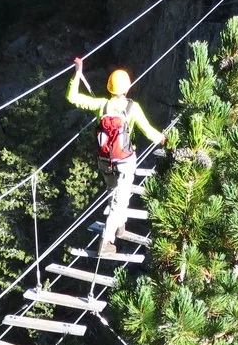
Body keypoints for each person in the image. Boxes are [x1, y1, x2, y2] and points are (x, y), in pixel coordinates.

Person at [67, 57, 165, 255]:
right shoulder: (132, 108)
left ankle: (119, 225)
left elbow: (72, 97)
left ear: (109, 88)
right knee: (119, 201)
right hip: (125, 161)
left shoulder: (101, 105)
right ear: (127, 89)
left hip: (105, 161)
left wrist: (77, 73)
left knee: (115, 194)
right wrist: (162, 139)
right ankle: (106, 241)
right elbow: (148, 131)